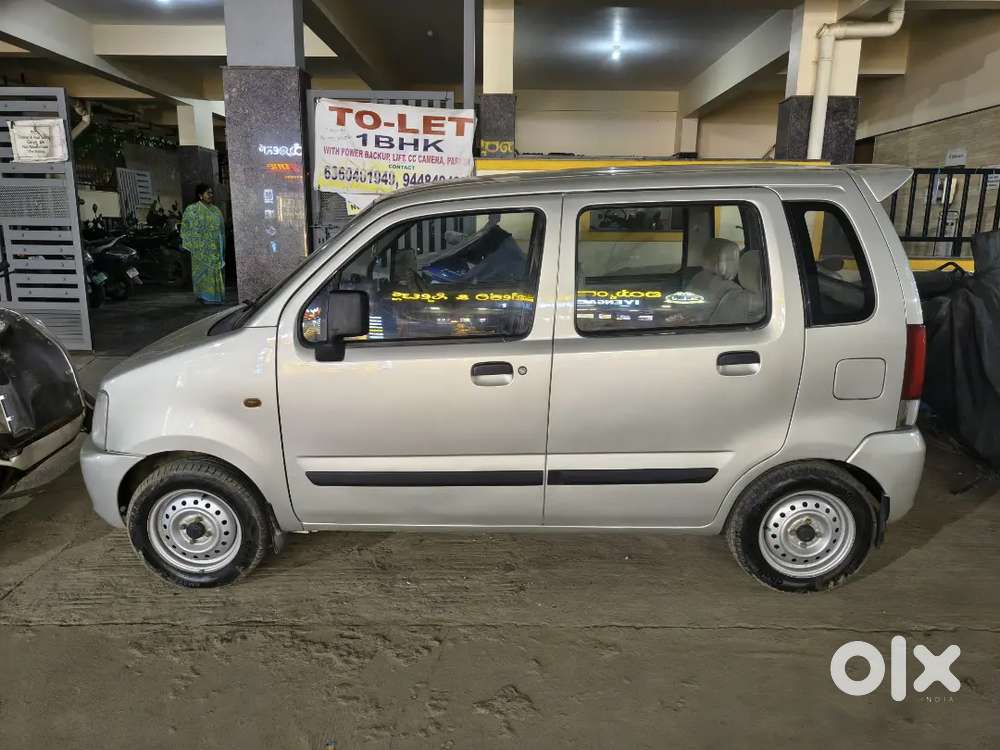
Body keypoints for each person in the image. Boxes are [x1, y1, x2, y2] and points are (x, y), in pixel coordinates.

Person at [180, 183, 225, 304]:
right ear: (200, 195)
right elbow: (186, 228)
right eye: (208, 193)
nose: (211, 195)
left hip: (214, 248)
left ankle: (215, 297)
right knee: (203, 273)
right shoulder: (192, 210)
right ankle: (203, 297)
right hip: (200, 249)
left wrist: (220, 244)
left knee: (214, 271)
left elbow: (221, 230)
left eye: (212, 193)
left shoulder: (216, 210)